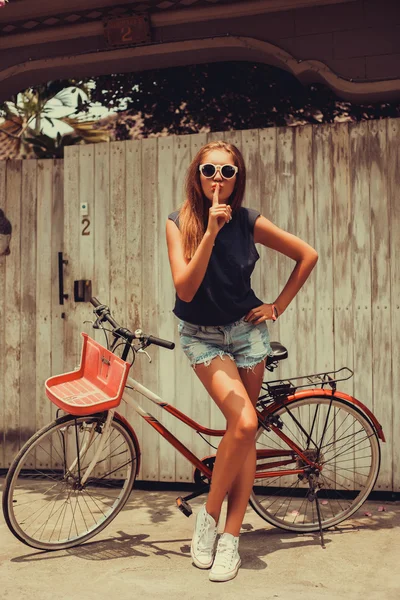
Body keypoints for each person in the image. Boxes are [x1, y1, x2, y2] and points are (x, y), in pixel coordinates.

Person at [166, 140, 318, 582]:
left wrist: (277, 305)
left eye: (227, 172)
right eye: (210, 170)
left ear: (238, 178)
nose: (218, 179)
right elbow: (186, 291)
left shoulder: (249, 220)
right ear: (197, 175)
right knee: (246, 423)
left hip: (247, 335)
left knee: (243, 431)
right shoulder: (180, 223)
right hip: (203, 338)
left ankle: (227, 537)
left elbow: (307, 255)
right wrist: (211, 233)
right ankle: (210, 520)